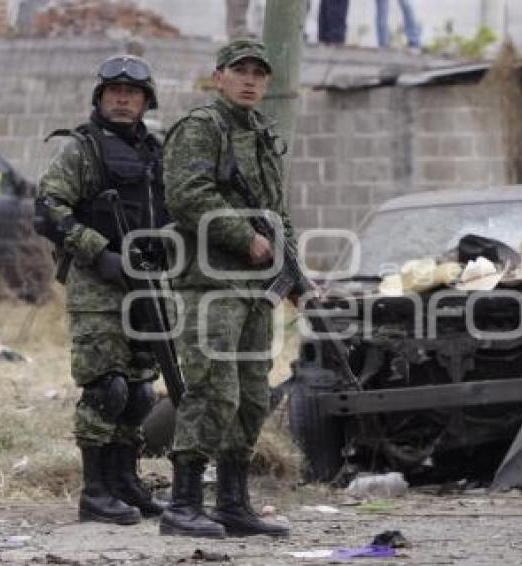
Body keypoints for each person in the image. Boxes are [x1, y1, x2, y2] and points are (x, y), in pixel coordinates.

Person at [159, 38, 294, 539]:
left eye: (259, 73)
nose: (250, 80)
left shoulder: (262, 134)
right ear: (219, 76)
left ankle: (233, 503)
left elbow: (278, 214)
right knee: (213, 391)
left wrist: (297, 274)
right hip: (210, 284)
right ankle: (182, 504)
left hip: (256, 290)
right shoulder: (202, 128)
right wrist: (244, 237)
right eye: (240, 70)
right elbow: (186, 195)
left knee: (254, 396)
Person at [34, 55, 168, 524]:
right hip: (98, 284)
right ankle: (94, 493)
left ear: (145, 101)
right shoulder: (82, 149)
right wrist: (98, 252)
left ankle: (124, 482)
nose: (122, 99)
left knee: (138, 391)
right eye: (113, 92)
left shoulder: (156, 151)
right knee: (105, 388)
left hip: (147, 282)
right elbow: (48, 208)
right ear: (100, 97)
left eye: (131, 94)